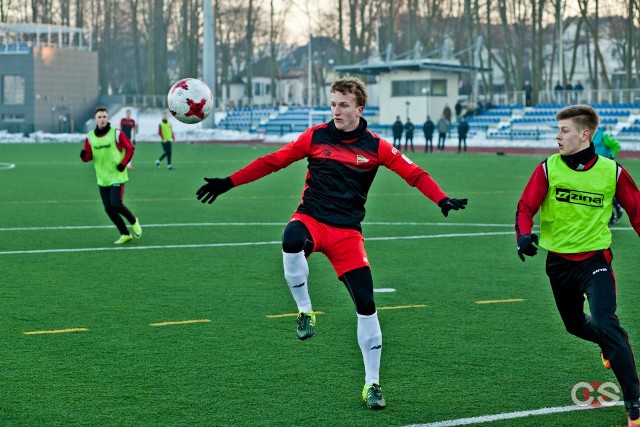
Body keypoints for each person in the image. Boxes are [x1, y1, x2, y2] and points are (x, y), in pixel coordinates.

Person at [195, 76, 468, 410]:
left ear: (360, 108)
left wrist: (440, 199)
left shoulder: (377, 146)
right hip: (311, 219)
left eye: (343, 105)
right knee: (291, 238)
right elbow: (273, 160)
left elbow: (416, 174)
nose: (336, 111)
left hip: (347, 234)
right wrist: (229, 182)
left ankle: (372, 384)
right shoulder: (316, 136)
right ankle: (306, 311)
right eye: (333, 104)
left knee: (366, 303)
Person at [515, 104, 640, 425]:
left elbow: (637, 211)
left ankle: (634, 404)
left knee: (605, 321)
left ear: (584, 135)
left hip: (595, 261)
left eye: (564, 130)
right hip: (558, 264)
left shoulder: (612, 171)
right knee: (575, 325)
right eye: (558, 130)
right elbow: (525, 207)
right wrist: (524, 236)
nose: (558, 136)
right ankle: (603, 341)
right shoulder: (548, 168)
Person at [80, 107, 142, 244]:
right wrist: (83, 156)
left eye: (104, 117)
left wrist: (123, 163)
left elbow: (130, 148)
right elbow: (88, 156)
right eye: (99, 117)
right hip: (102, 178)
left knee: (116, 204)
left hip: (116, 175)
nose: (102, 119)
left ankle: (133, 221)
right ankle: (125, 234)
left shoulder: (116, 134)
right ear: (95, 120)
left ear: (107, 118)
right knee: (108, 209)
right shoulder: (90, 137)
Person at [592, 127, 624, 224]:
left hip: (604, 169)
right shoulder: (584, 136)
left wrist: (611, 156)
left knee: (602, 193)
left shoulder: (602, 136)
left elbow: (616, 145)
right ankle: (614, 210)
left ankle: (614, 212)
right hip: (593, 170)